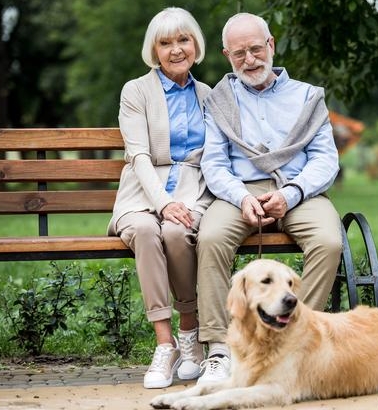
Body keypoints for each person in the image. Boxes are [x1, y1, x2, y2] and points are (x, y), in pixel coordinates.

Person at [195, 12, 343, 383]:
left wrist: (291, 194)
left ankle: (297, 338)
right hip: (239, 192)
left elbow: (326, 159)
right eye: (239, 53)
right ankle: (219, 349)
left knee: (328, 241)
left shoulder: (307, 97)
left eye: (256, 49)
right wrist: (241, 197)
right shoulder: (219, 100)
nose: (250, 60)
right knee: (210, 237)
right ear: (226, 54)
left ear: (271, 45)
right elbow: (213, 163)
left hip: (298, 190)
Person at [107, 7, 213, 389]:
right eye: (165, 43)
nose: (175, 50)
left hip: (193, 193)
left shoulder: (208, 95)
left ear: (195, 44)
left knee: (174, 232)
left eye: (183, 40)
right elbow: (137, 154)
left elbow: (215, 157)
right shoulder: (136, 91)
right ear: (154, 49)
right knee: (147, 230)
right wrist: (162, 202)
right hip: (140, 193)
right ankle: (165, 344)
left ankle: (190, 332)